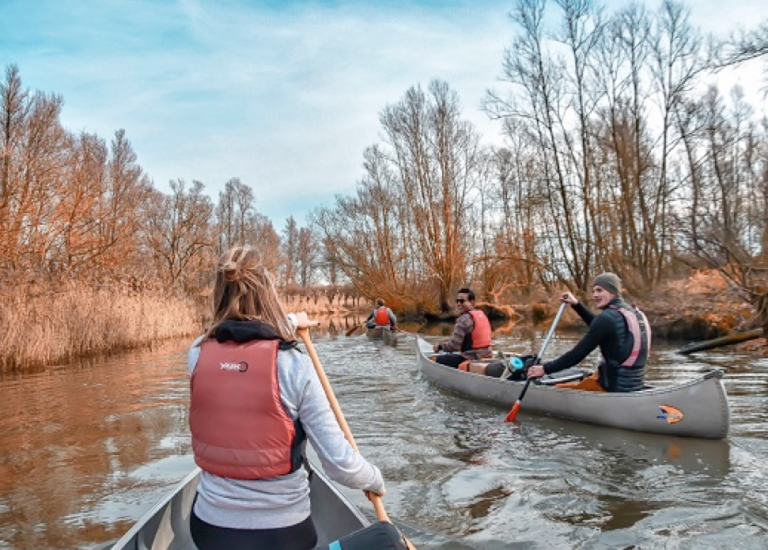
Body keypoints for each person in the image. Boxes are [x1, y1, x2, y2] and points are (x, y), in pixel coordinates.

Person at [187, 246, 385, 550]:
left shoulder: (197, 354)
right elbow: (340, 466)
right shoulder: (294, 365)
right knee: (387, 540)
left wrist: (292, 321)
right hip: (281, 536)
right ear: (268, 293)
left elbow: (242, 346)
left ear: (218, 293)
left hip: (209, 530)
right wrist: (374, 479)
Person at [527, 273, 651, 392]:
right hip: (634, 385)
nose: (595, 295)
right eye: (593, 291)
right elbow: (599, 326)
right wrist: (576, 305)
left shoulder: (607, 319)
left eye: (599, 290)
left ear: (612, 292)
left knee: (557, 388)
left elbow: (577, 355)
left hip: (612, 388)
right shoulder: (633, 313)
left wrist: (544, 369)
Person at [432, 288, 493, 368]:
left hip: (470, 358)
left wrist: (440, 346)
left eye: (462, 301)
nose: (459, 304)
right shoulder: (482, 315)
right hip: (487, 356)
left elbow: (454, 346)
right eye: (457, 301)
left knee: (433, 359)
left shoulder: (463, 320)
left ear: (472, 302)